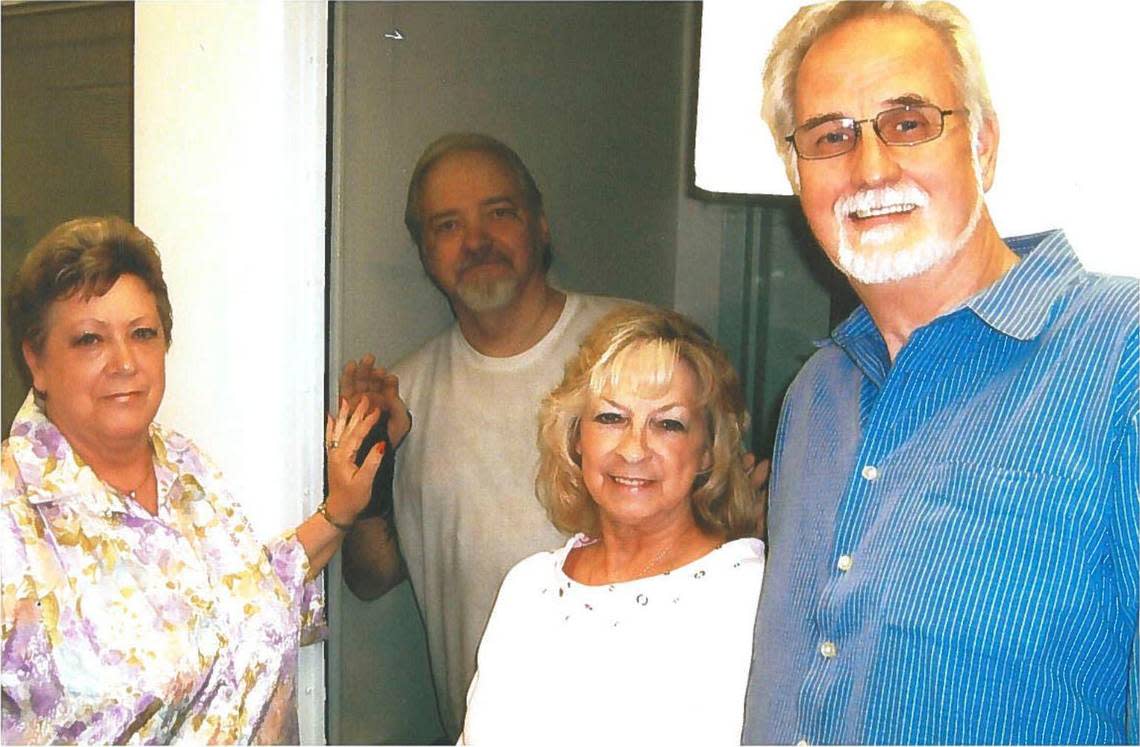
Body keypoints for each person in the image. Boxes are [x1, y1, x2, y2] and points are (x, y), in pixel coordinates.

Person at [741, 2, 1138, 744]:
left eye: (910, 122)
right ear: (797, 175)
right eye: (831, 136)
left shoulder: (1123, 355)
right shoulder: (816, 395)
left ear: (983, 146)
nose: (870, 168)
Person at [1, 216, 384, 744]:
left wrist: (339, 510)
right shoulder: (12, 516)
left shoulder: (186, 465)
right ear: (36, 362)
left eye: (142, 333)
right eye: (90, 339)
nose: (125, 362)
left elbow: (249, 591)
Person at [339, 133, 627, 738]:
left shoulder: (634, 349)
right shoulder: (408, 391)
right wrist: (375, 463)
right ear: (425, 255)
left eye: (499, 213)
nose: (476, 242)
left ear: (540, 226)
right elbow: (370, 577)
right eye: (447, 226)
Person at [460, 305, 764, 744]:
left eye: (668, 424)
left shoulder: (751, 597)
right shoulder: (527, 588)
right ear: (575, 438)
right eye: (610, 417)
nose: (634, 449)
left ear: (707, 452)